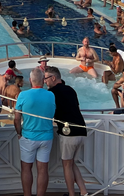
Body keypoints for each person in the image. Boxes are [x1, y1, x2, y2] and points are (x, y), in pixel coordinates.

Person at [43, 65, 89, 196]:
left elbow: (49, 112)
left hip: (69, 132)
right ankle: (84, 192)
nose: (44, 81)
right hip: (81, 129)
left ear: (53, 78)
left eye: (46, 78)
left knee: (67, 165)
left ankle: (71, 194)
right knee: (72, 163)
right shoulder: (70, 89)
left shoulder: (52, 93)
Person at [14, 67, 56, 196]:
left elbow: (16, 119)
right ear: (43, 81)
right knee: (43, 170)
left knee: (26, 168)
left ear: (30, 80)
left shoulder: (23, 95)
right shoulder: (51, 95)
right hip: (46, 136)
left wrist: (19, 133)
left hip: (28, 136)